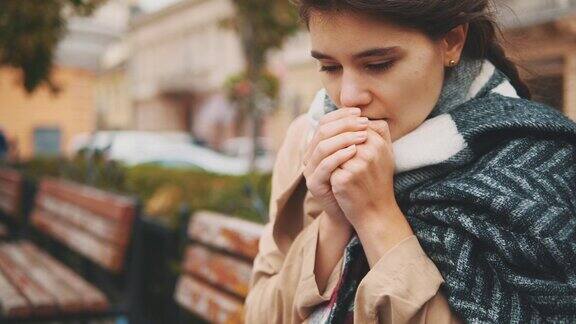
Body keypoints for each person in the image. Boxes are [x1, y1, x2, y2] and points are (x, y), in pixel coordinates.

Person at [244, 1, 576, 323]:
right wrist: (333, 221)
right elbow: (260, 314)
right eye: (330, 67)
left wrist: (376, 215)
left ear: (451, 42)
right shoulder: (310, 140)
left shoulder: (534, 161)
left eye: (378, 64)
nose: (348, 97)